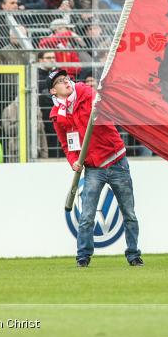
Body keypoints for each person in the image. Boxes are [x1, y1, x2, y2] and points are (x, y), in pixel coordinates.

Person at [47, 68, 142, 267]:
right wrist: (73, 160)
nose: (66, 82)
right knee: (87, 215)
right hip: (93, 168)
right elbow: (67, 144)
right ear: (53, 92)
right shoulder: (57, 115)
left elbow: (109, 108)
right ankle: (83, 257)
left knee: (129, 213)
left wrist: (102, 106)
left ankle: (133, 255)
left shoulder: (88, 94)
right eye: (60, 82)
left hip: (116, 160)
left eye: (66, 79)